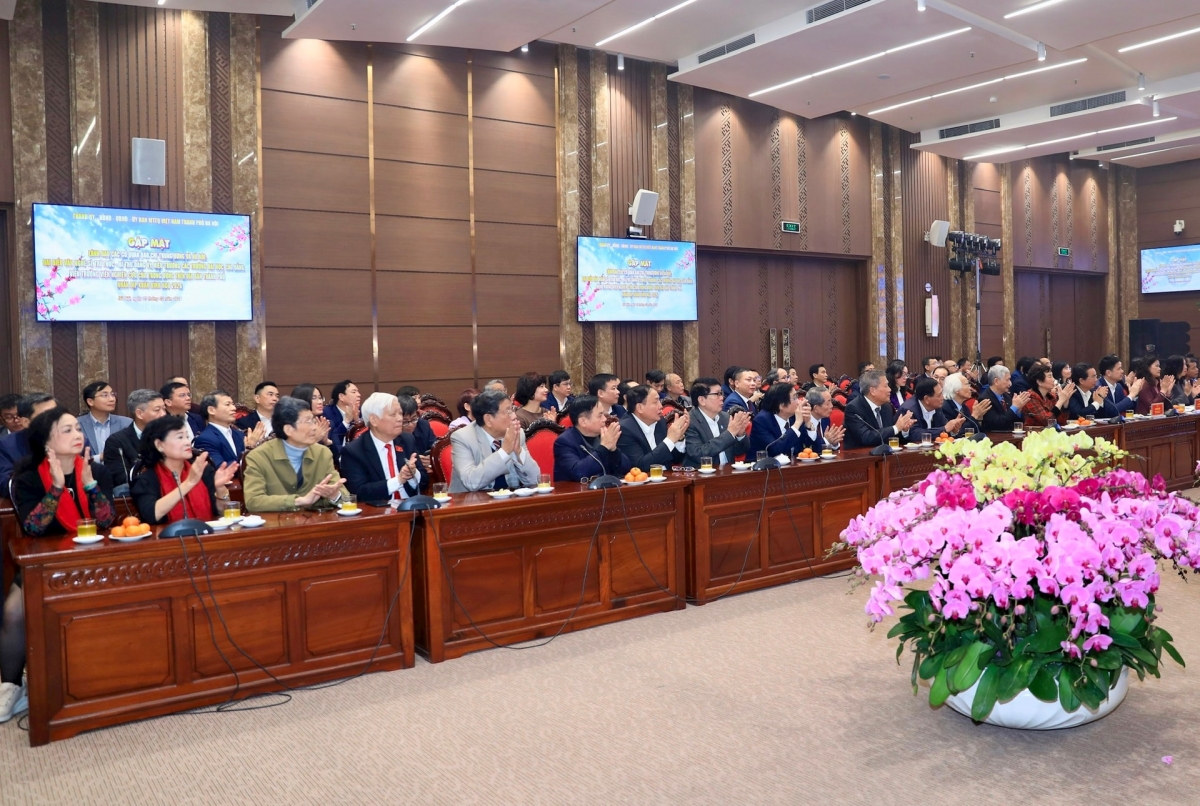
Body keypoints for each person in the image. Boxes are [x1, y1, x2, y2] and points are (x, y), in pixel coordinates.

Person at [5, 407, 117, 721]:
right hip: (46, 563)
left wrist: (91, 485)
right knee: (13, 612)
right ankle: (10, 686)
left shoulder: (96, 470)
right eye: (67, 430)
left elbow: (107, 522)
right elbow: (34, 528)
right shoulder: (27, 477)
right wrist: (56, 488)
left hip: (95, 560)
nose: (77, 435)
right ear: (46, 442)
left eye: (78, 429)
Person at [242, 397, 347, 512]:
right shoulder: (258, 457)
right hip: (275, 522)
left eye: (314, 421)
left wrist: (334, 495)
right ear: (288, 429)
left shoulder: (322, 453)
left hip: (314, 521)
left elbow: (344, 496)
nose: (314, 427)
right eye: (308, 422)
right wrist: (299, 501)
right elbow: (253, 501)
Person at [131, 415, 238, 524]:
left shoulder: (203, 470)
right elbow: (152, 515)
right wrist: (189, 483)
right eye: (180, 437)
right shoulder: (147, 479)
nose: (187, 442)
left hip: (207, 532)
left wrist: (220, 488)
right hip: (168, 534)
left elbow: (221, 513)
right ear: (159, 445)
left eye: (187, 436)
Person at [340, 393, 424, 507]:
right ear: (374, 420)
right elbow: (359, 492)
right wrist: (398, 480)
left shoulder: (407, 440)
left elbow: (424, 482)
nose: (400, 419)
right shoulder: (353, 452)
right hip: (378, 512)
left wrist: (413, 475)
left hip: (411, 509)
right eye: (393, 414)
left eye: (400, 413)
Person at [448, 389, 540, 492]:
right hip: (469, 501)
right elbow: (471, 482)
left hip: (510, 499)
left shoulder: (517, 433)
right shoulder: (463, 438)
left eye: (513, 409)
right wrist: (504, 451)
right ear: (488, 419)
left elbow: (535, 480)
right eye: (508, 411)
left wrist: (518, 451)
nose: (514, 416)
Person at [554, 395, 631, 482]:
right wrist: (604, 447)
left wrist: (613, 449)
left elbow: (626, 469)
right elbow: (579, 472)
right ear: (583, 421)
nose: (605, 419)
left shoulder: (603, 435)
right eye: (600, 415)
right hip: (576, 489)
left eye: (604, 414)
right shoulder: (564, 442)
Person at [102, 389, 168, 492]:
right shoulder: (117, 441)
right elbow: (120, 478)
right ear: (139, 414)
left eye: (164, 409)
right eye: (157, 410)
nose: (163, 414)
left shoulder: (170, 435)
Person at [616, 385, 689, 471]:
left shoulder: (660, 422)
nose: (661, 406)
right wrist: (670, 440)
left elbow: (676, 459)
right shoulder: (625, 429)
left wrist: (679, 438)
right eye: (655, 402)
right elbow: (640, 466)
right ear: (640, 408)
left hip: (666, 476)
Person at [684, 378, 750, 468]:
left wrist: (740, 435)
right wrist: (729, 434)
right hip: (701, 474)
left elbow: (739, 451)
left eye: (721, 393)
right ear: (702, 400)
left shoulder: (725, 417)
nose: (722, 398)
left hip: (727, 472)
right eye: (717, 394)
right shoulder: (689, 421)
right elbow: (698, 454)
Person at [0, 393, 58, 493]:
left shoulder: (74, 438)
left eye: (56, 414)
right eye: (44, 416)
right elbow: (6, 484)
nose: (52, 420)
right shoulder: (6, 445)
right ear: (26, 422)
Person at [843, 369, 915, 449]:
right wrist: (896, 428)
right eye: (886, 386)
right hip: (860, 454)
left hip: (885, 454)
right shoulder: (854, 409)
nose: (890, 389)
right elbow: (866, 437)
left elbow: (891, 435)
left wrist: (904, 430)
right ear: (873, 391)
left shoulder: (887, 407)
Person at [749, 383, 809, 458]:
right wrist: (797, 423)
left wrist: (808, 423)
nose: (798, 401)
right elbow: (775, 450)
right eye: (794, 398)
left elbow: (812, 448)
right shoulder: (762, 421)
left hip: (793, 464)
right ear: (782, 406)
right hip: (766, 464)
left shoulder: (793, 417)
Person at [192, 390, 251, 467]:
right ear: (211, 410)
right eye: (227, 404)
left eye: (233, 404)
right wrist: (248, 450)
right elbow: (220, 467)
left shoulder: (239, 434)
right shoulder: (205, 439)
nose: (234, 408)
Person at [899, 378, 963, 442]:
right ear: (926, 399)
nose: (943, 397)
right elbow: (914, 434)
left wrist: (953, 430)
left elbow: (944, 428)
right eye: (939, 395)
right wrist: (944, 429)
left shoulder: (936, 407)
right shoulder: (909, 410)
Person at [79, 381, 132, 457]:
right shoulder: (77, 424)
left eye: (112, 394)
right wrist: (99, 458)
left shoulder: (127, 423)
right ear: (90, 401)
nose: (112, 399)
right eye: (105, 395)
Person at [977, 365, 1030, 433]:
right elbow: (997, 423)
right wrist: (1014, 407)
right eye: (1007, 380)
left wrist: (1018, 411)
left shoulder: (1007, 396)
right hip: (994, 437)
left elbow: (1017, 423)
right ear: (996, 381)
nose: (1010, 383)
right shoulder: (985, 399)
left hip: (1011, 435)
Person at [323, 379, 362, 462]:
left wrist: (357, 421)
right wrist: (346, 421)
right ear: (341, 396)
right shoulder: (327, 413)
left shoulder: (360, 411)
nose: (359, 395)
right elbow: (333, 438)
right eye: (354, 392)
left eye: (358, 392)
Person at [798, 387, 845, 452]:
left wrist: (834, 443)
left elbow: (831, 447)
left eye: (831, 401)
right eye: (828, 403)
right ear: (816, 408)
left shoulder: (825, 419)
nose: (831, 406)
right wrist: (826, 441)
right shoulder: (802, 423)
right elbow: (809, 450)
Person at [290, 383, 335, 450]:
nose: (320, 402)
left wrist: (327, 442)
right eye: (314, 398)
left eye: (320, 398)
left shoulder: (327, 424)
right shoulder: (293, 426)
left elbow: (338, 454)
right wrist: (316, 439)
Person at [398, 394, 438, 460]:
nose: (411, 425)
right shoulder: (392, 433)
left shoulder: (423, 426)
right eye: (405, 422)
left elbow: (435, 448)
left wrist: (431, 458)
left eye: (414, 419)